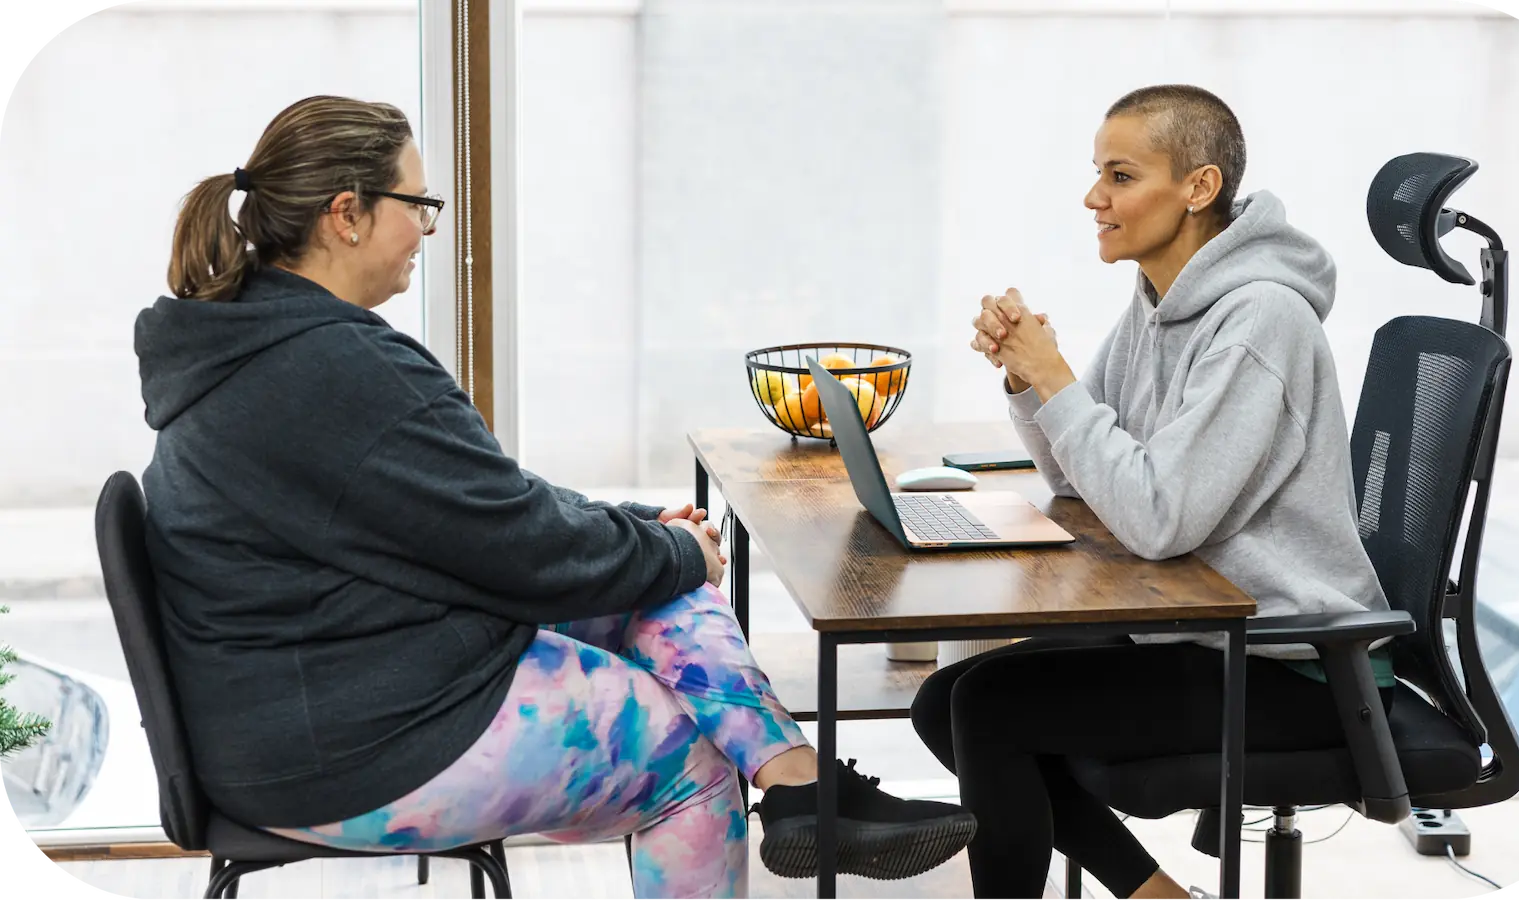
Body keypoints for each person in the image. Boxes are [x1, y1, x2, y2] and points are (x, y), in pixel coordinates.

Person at [135, 95, 975, 900]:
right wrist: (672, 547)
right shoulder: (333, 368)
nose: (427, 228)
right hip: (350, 747)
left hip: (319, 699)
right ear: (347, 213)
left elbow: (479, 502)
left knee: (666, 588)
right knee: (696, 762)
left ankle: (801, 789)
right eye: (417, 204)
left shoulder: (260, 341)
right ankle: (787, 785)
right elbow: (515, 542)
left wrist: (645, 535)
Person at [908, 85, 1396, 900]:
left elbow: (1158, 517)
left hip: (1298, 666)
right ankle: (1154, 895)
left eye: (1121, 175)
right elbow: (1081, 479)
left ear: (1198, 188)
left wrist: (1058, 378)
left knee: (992, 708)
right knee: (945, 701)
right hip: (1204, 630)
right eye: (1098, 173)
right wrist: (1030, 383)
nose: (1094, 197)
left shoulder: (1260, 321)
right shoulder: (1160, 301)